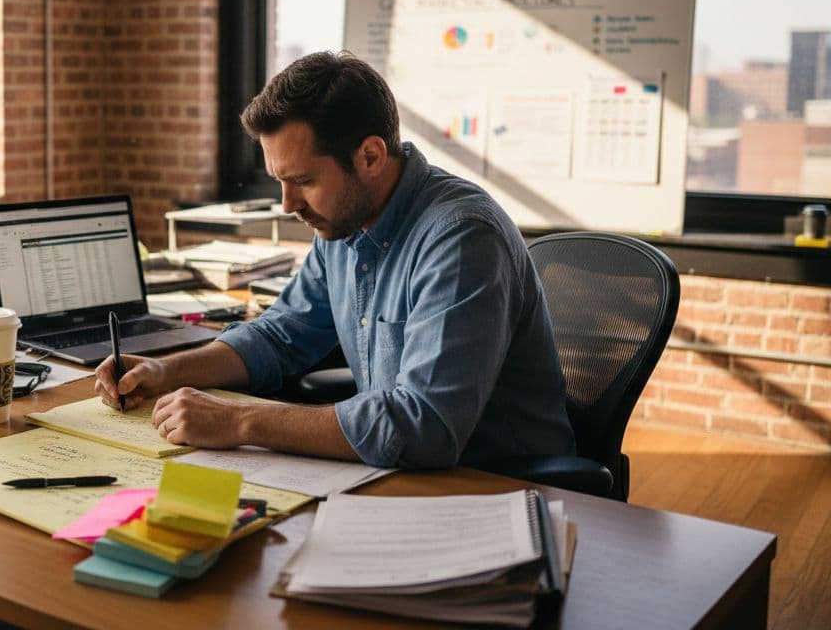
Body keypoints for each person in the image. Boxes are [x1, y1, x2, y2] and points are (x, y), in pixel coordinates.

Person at [94, 51, 575, 469]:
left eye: (303, 181)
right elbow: (281, 336)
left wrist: (239, 420)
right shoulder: (343, 222)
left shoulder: (462, 238)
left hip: (498, 486)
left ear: (370, 157)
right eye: (279, 181)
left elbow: (425, 427)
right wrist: (167, 371)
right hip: (395, 477)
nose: (288, 204)